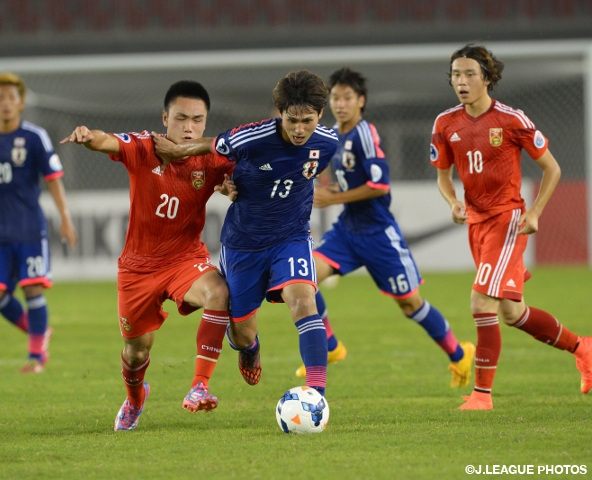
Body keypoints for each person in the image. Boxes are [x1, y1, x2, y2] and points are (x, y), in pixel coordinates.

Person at [60, 80, 235, 430]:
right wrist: (87, 135)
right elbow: (105, 139)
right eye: (182, 117)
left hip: (185, 260)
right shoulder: (144, 147)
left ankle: (200, 386)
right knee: (136, 351)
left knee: (220, 292)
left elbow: (237, 180)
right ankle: (135, 399)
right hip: (137, 270)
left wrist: (232, 186)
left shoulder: (212, 157)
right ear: (165, 117)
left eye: (198, 119)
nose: (189, 127)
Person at [153, 70, 339, 397]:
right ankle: (250, 347)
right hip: (244, 245)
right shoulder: (251, 138)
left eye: (307, 121)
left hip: (291, 238)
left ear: (320, 115)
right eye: (291, 120)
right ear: (279, 113)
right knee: (240, 333)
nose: (299, 129)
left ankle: (317, 396)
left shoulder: (328, 142)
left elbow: (305, 173)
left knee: (303, 299)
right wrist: (186, 157)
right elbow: (212, 149)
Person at [430, 43, 592, 410]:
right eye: (456, 74)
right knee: (512, 313)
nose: (462, 81)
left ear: (487, 78)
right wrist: (453, 201)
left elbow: (552, 168)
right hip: (476, 224)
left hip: (508, 220)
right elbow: (443, 175)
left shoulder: (511, 119)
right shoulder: (445, 123)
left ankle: (482, 396)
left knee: (480, 300)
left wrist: (534, 212)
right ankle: (583, 348)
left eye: (470, 73)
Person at [292, 67, 475, 389]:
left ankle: (459, 354)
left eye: (347, 98)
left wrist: (333, 198)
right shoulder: (336, 135)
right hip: (348, 230)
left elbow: (379, 185)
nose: (341, 104)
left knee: (410, 304)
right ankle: (331, 347)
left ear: (360, 101)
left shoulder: (365, 133)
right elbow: (351, 180)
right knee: (304, 278)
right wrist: (331, 192)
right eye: (335, 97)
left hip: (379, 236)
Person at [0, 72, 77, 374]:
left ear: (21, 103)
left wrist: (65, 217)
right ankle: (38, 331)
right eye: (0, 98)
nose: (6, 103)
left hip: (29, 229)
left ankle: (36, 357)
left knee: (32, 289)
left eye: (11, 98)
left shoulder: (34, 137)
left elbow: (53, 179)